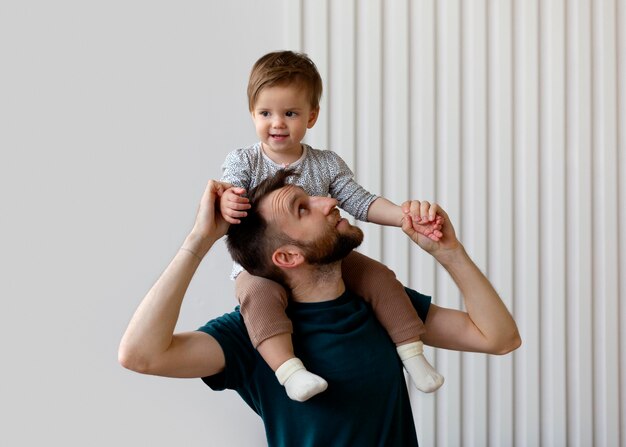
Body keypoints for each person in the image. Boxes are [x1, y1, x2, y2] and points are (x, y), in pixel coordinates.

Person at [118, 171, 521, 446]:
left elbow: (499, 338)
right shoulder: (252, 335)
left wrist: (449, 253)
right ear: (288, 256)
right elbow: (140, 354)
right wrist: (198, 240)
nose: (328, 201)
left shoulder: (382, 305)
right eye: (303, 208)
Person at [220, 50, 443, 401]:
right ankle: (290, 372)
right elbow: (227, 194)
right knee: (256, 295)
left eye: (290, 113)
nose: (277, 123)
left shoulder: (325, 163)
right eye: (266, 113)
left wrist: (404, 215)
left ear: (312, 116)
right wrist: (228, 200)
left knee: (379, 276)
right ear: (252, 114)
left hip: (324, 257)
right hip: (264, 263)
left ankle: (412, 354)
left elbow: (359, 200)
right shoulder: (243, 161)